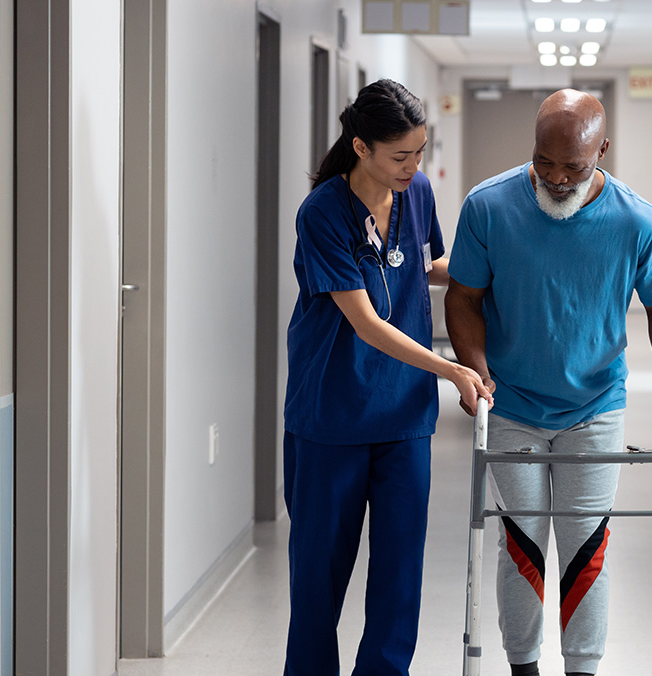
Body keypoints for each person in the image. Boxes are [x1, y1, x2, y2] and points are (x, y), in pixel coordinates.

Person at [445, 88, 652, 676]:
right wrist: (475, 370)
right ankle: (523, 667)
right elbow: (464, 297)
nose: (557, 178)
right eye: (544, 162)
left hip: (596, 406)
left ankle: (582, 668)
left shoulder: (636, 220)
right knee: (524, 547)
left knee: (585, 551)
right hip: (510, 402)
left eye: (574, 167)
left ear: (602, 150)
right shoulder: (489, 207)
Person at [282, 78, 492, 676]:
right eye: (400, 155)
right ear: (360, 147)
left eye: (419, 152)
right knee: (319, 581)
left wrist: (498, 270)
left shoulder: (418, 192)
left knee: (401, 573)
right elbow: (367, 323)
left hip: (403, 416)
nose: (413, 165)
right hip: (331, 413)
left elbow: (429, 265)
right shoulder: (322, 211)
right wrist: (451, 367)